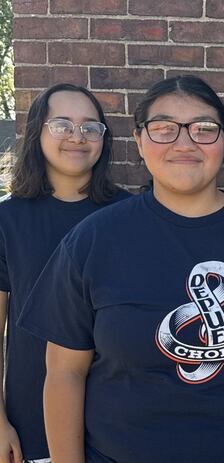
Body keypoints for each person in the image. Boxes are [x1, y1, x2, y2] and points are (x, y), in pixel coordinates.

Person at [18, 76, 224, 463]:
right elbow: (63, 373)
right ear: (140, 142)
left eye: (204, 129)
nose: (184, 143)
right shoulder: (93, 240)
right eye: (163, 129)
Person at [0, 83, 129, 463]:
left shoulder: (131, 215)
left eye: (91, 127)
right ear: (37, 131)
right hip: (33, 425)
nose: (78, 136)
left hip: (122, 423)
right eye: (62, 125)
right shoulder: (7, 220)